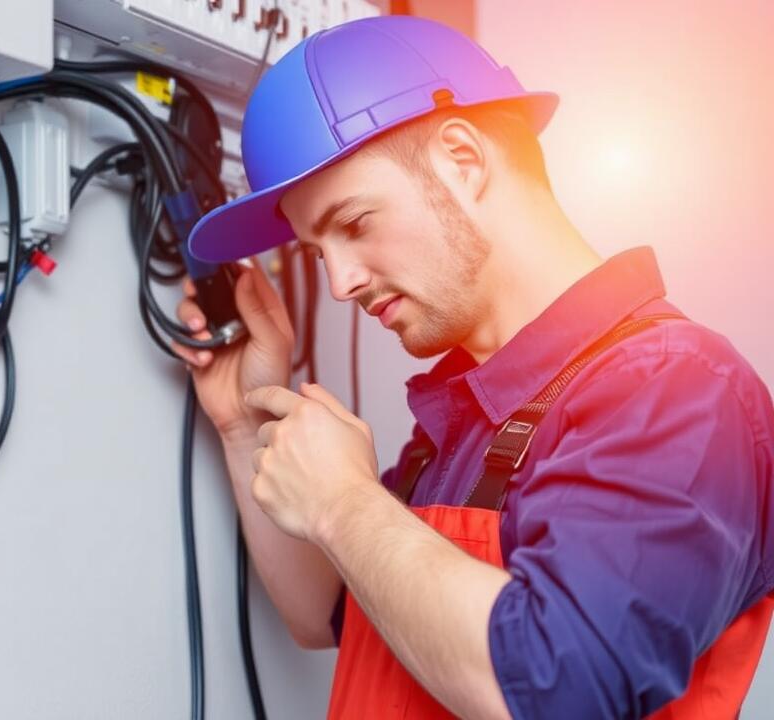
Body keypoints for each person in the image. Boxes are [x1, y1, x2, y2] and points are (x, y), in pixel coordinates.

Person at [178, 15, 774, 719]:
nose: (339, 282)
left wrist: (345, 501)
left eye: (355, 223)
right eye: (316, 251)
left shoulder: (678, 389)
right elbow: (330, 614)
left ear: (462, 160)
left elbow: (558, 690)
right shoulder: (465, 411)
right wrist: (244, 422)